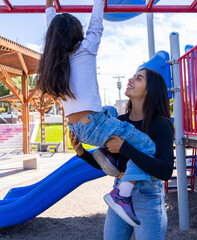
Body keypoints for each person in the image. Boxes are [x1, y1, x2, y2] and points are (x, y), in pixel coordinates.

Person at [38, 0, 161, 228]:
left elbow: (52, 27)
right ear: (77, 35)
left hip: (78, 127)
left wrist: (49, 7)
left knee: (112, 112)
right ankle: (122, 194)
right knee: (147, 146)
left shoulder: (54, 61)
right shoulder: (86, 50)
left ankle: (107, 153)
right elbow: (97, 24)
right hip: (94, 125)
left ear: (53, 39)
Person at [70, 68, 174, 239]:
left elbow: (165, 171)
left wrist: (125, 147)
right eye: (133, 76)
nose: (130, 79)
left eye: (138, 78)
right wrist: (82, 153)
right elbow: (112, 164)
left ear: (150, 91)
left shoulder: (160, 125)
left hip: (148, 197)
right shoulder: (120, 122)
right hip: (118, 193)